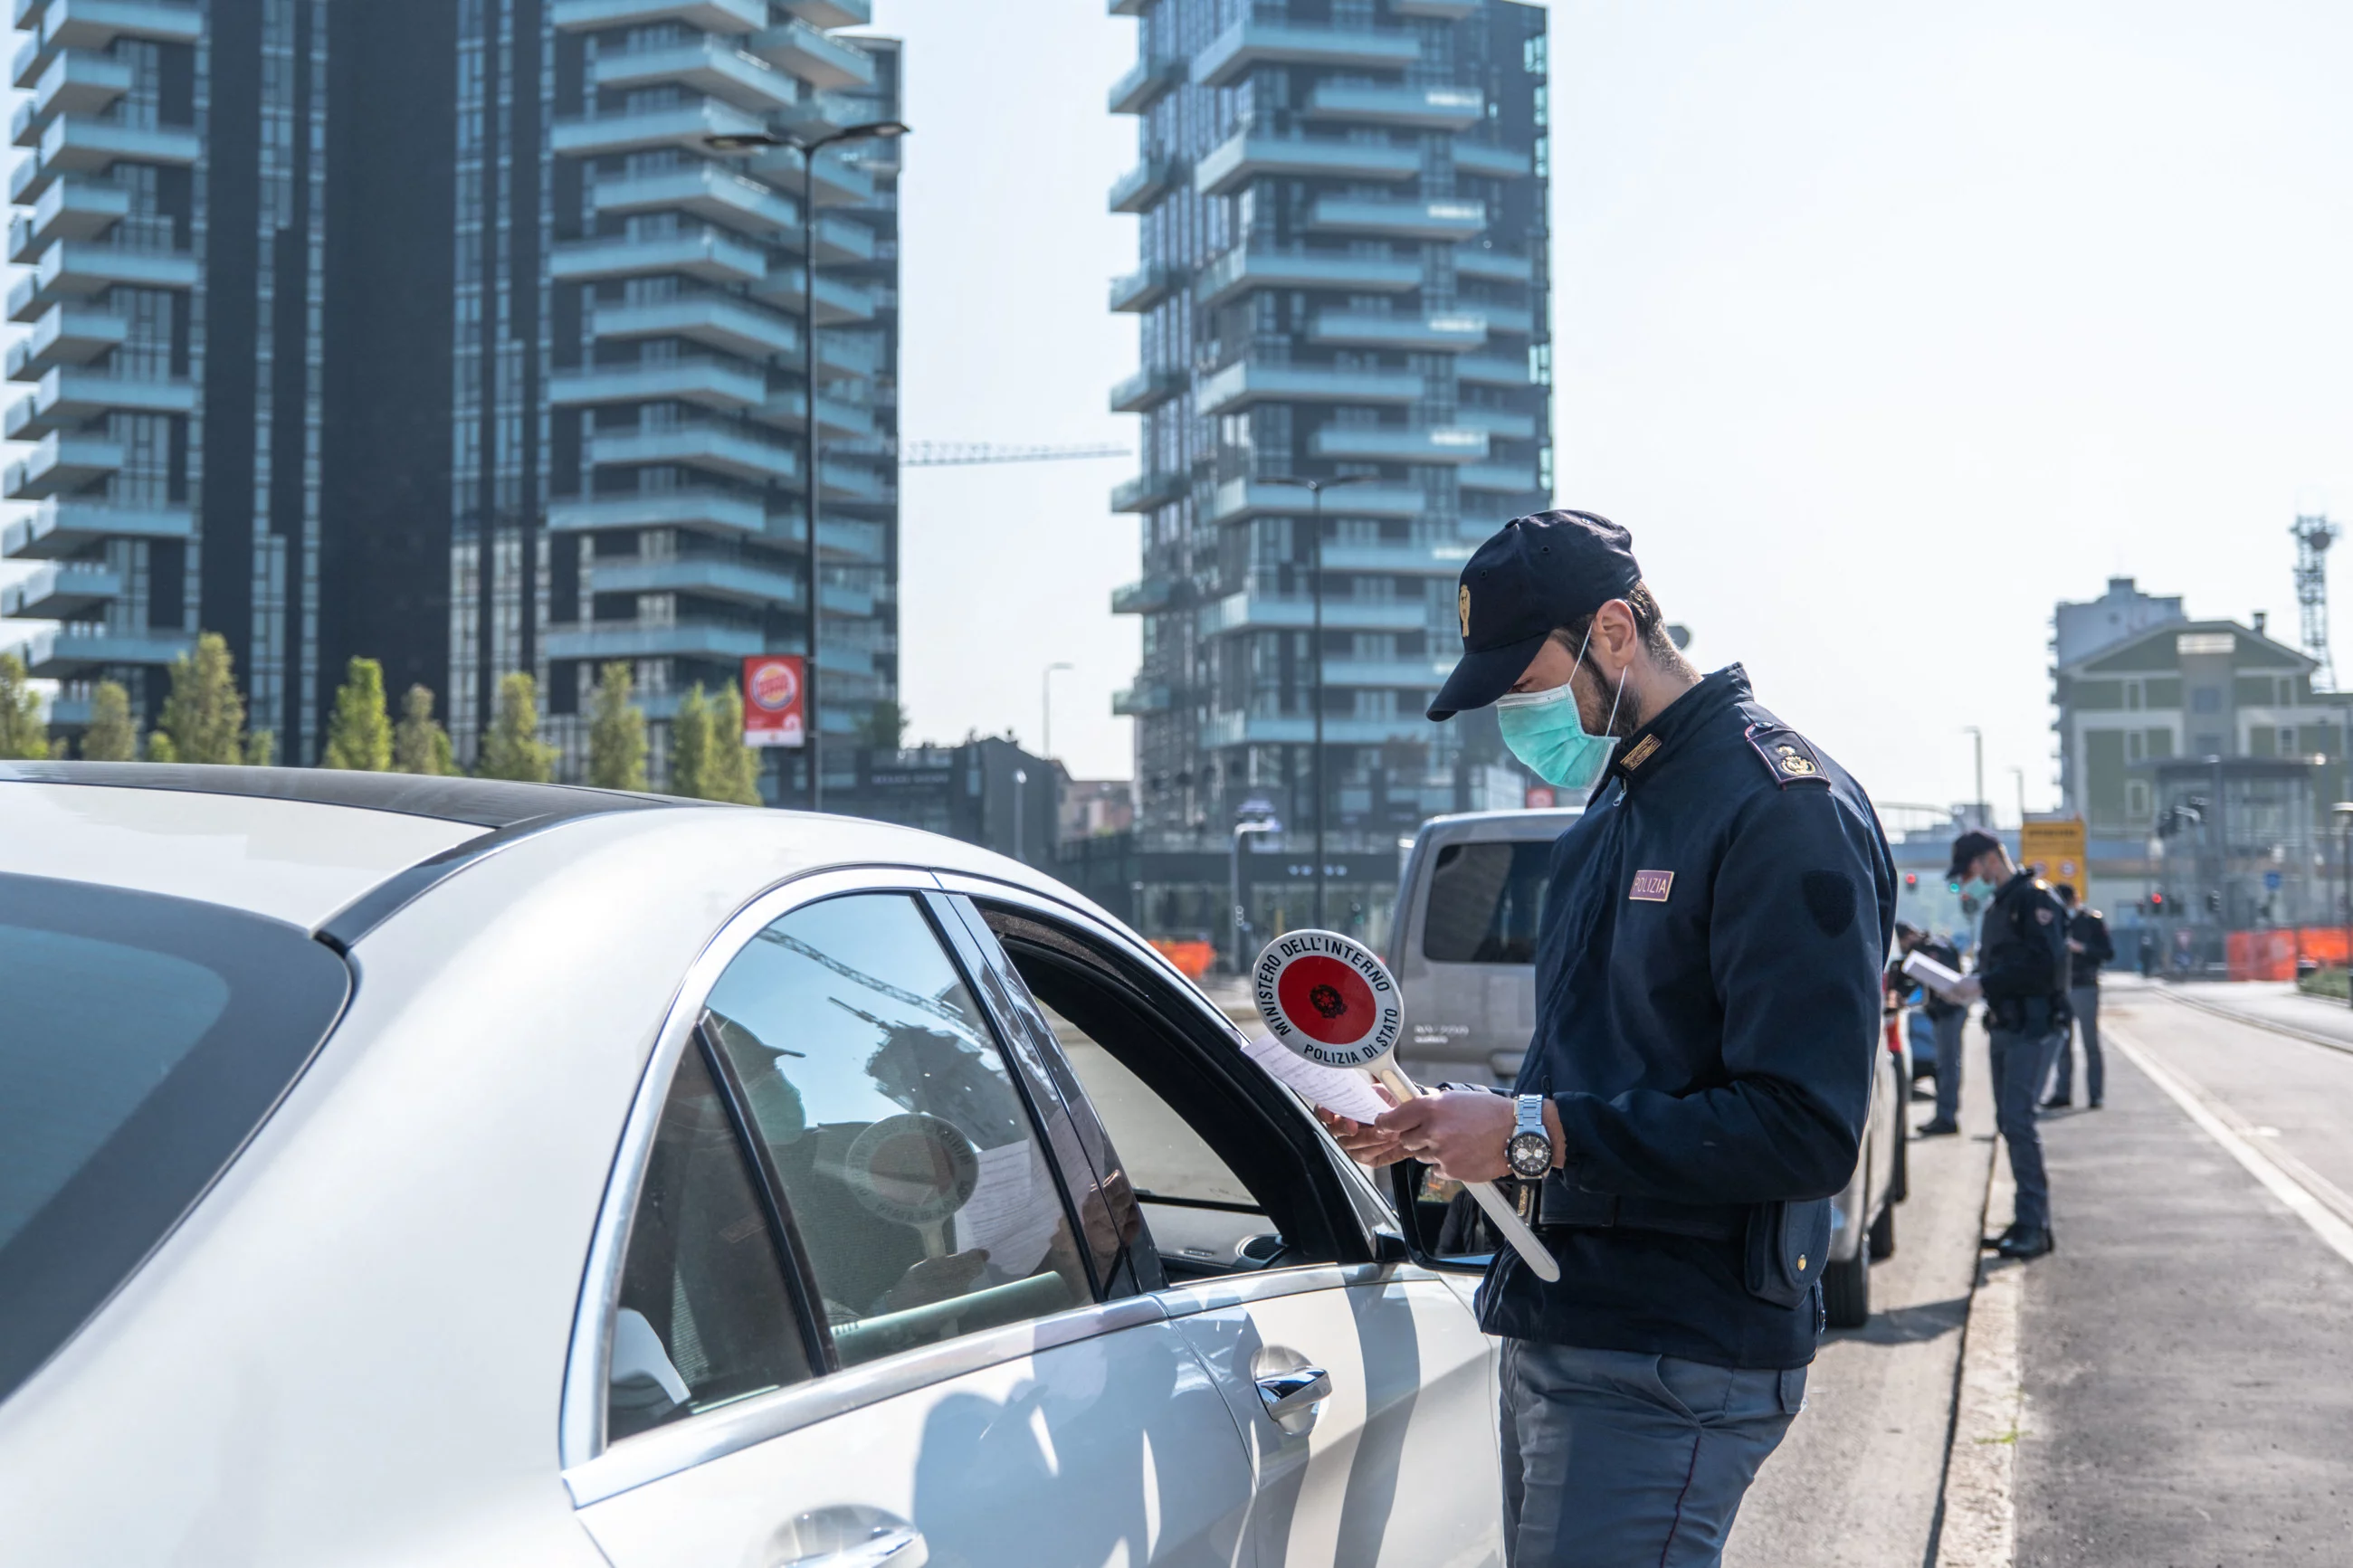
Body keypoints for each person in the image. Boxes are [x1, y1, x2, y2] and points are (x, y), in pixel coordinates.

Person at [1319, 510, 1893, 1568]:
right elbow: (1603, 1064)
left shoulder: (1778, 809)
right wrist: (1446, 1124)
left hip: (1674, 1346)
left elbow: (1803, 1129)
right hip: (1565, 1315)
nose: (1512, 711)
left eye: (1524, 678)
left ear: (1615, 629)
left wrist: (1529, 1133)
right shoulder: (1617, 804)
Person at [1945, 829, 2069, 1259]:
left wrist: (1984, 982)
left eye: (1970, 870)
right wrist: (1969, 987)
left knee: (2018, 1122)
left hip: (2031, 1027)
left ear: (1989, 859)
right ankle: (2027, 1222)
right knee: (2009, 1123)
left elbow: (2045, 965)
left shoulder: (2035, 898)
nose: (1969, 879)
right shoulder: (2000, 905)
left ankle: (2033, 1226)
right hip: (2005, 1025)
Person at [1891, 922, 1967, 1136]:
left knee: (1948, 1066)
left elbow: (1944, 983)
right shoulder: (1935, 944)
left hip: (1949, 1012)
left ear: (1908, 936)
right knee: (1946, 1065)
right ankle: (1945, 1115)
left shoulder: (1930, 950)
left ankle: (1946, 1117)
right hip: (1947, 1011)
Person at [2043, 883, 2112, 1109]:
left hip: (2085, 985)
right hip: (2061, 987)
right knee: (2062, 1044)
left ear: (2075, 900)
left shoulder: (2092, 920)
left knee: (2090, 1042)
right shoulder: (2054, 921)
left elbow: (2108, 952)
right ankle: (2062, 1093)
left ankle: (2096, 1094)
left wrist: (2081, 948)